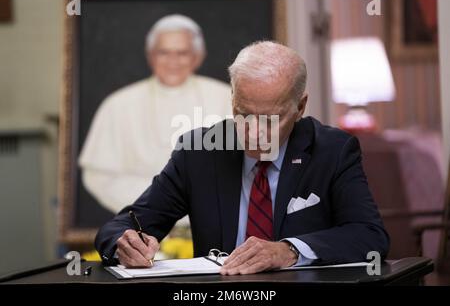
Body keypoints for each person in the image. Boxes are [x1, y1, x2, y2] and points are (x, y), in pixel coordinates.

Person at [95, 41, 389, 275]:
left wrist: (289, 250)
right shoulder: (199, 152)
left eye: (271, 119)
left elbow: (370, 236)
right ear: (233, 98)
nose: (254, 132)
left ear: (300, 107)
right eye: (243, 115)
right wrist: (125, 243)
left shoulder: (332, 150)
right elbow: (123, 225)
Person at [79, 15, 231, 213]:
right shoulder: (118, 104)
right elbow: (99, 176)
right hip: (137, 221)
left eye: (182, 53)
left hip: (211, 219)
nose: (173, 61)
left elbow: (241, 168)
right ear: (150, 56)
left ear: (197, 57)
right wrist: (154, 205)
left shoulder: (226, 97)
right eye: (163, 53)